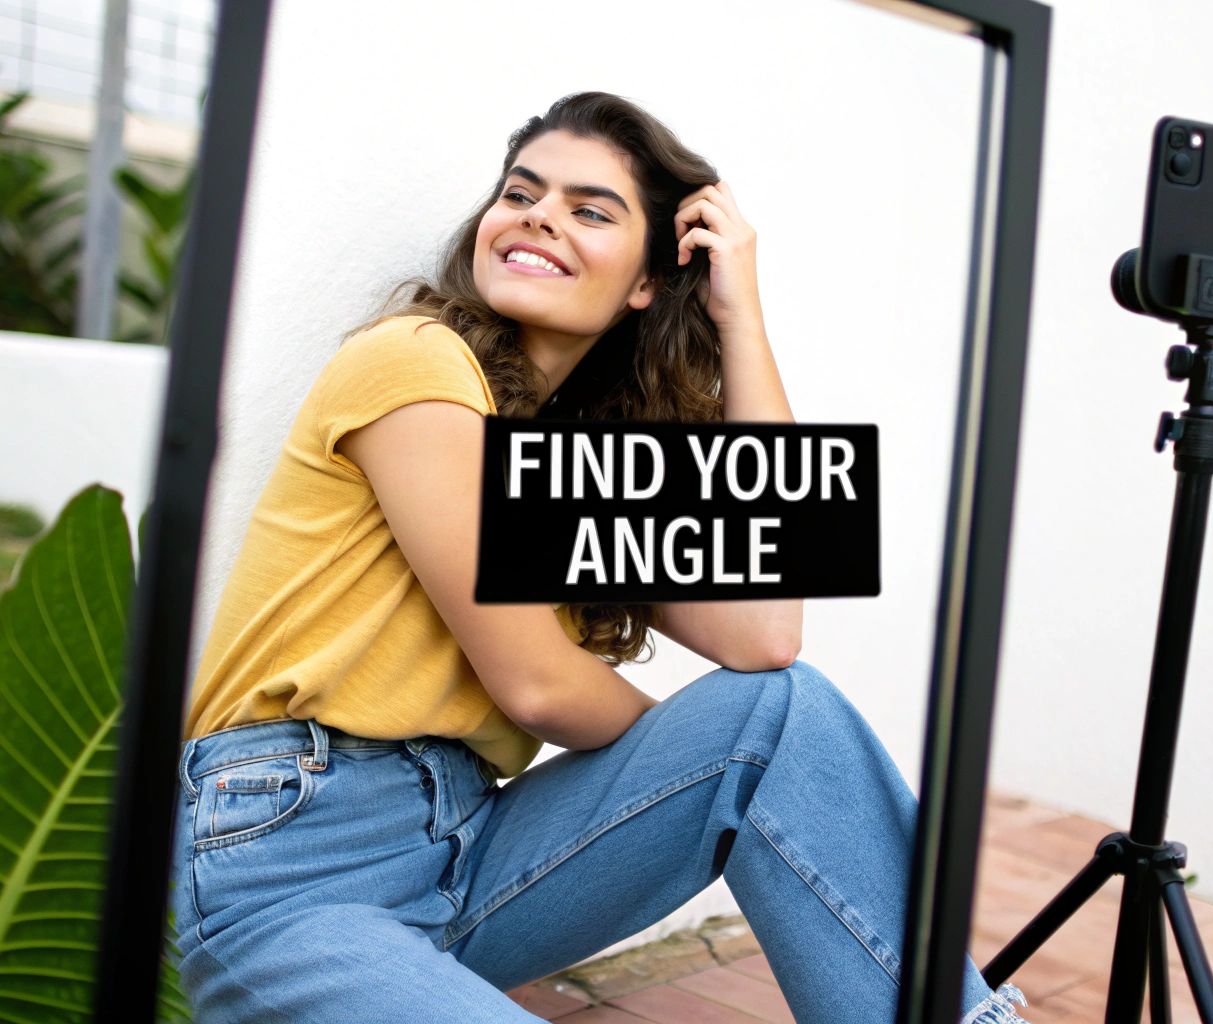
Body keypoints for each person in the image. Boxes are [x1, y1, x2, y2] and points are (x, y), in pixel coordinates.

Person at [169, 91, 1032, 1024]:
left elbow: (765, 636)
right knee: (751, 733)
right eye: (520, 193)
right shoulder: (416, 359)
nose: (538, 216)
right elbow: (538, 686)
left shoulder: (566, 458)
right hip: (289, 866)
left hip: (462, 851)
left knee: (785, 712)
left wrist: (743, 320)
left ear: (646, 282)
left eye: (589, 210)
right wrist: (691, 763)